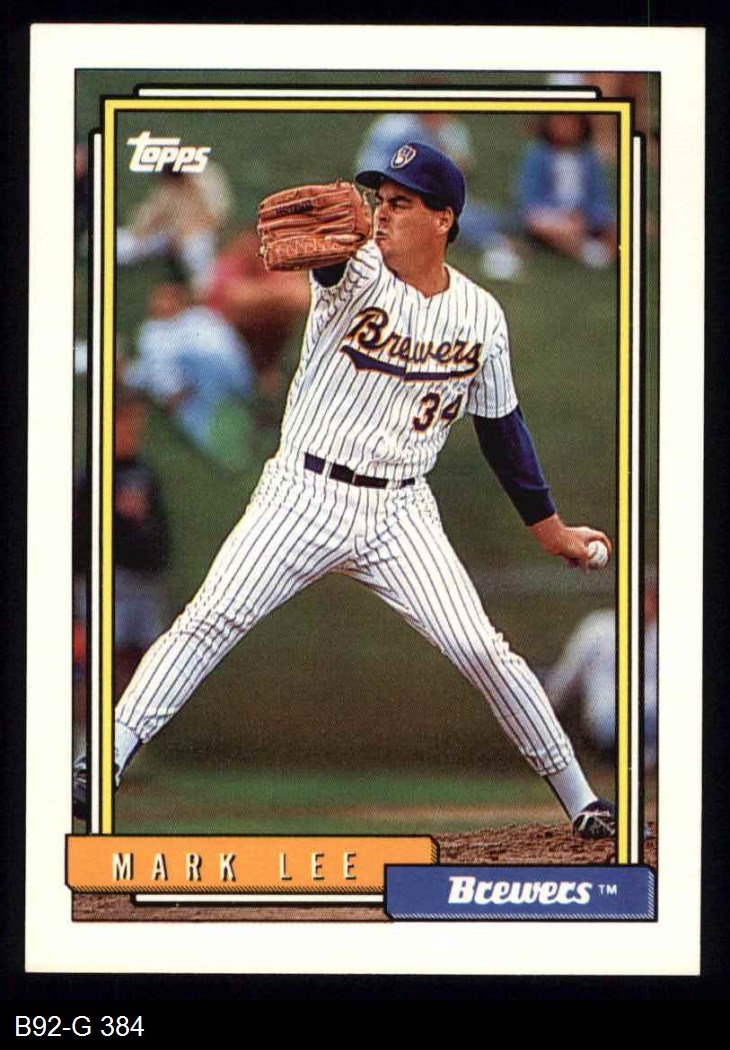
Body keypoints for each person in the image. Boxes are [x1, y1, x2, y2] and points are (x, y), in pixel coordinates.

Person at [73, 142, 615, 840]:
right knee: (210, 620)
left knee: (481, 649)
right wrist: (329, 253)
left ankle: (582, 800)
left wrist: (552, 530)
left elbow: (503, 430)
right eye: (379, 201)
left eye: (400, 204)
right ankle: (103, 761)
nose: (380, 215)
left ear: (444, 219)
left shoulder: (482, 316)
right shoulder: (354, 271)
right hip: (303, 494)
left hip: (400, 512)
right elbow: (327, 260)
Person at [73, 387, 170, 701]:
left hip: (145, 586)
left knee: (147, 673)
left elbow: (160, 534)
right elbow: (79, 541)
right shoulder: (91, 476)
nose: (133, 431)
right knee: (101, 670)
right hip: (107, 586)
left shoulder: (145, 474)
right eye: (125, 422)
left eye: (137, 423)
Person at [357, 112, 523, 281]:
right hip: (404, 194)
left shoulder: (451, 130)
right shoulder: (394, 126)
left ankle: (508, 239)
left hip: (438, 198)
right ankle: (500, 242)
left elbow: (462, 176)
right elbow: (369, 167)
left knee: (494, 219)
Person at [123, 282, 256, 464]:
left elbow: (226, 354)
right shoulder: (151, 333)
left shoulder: (201, 319)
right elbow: (160, 376)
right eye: (158, 299)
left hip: (220, 384)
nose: (162, 304)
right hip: (192, 396)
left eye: (168, 298)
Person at [546, 584, 657, 770]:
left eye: (650, 600)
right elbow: (566, 677)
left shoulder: (663, 636)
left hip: (652, 722)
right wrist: (546, 712)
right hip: (606, 722)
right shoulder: (597, 629)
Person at [204, 228, 310, 408]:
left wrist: (260, 298)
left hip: (272, 343)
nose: (252, 249)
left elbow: (301, 296)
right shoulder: (229, 263)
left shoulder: (276, 259)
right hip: (230, 340)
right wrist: (275, 297)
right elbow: (235, 298)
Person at [514, 113, 617, 269]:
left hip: (583, 218)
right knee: (542, 224)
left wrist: (586, 216)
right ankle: (586, 251)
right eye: (560, 122)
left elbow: (599, 198)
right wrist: (560, 215)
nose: (565, 128)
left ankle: (597, 249)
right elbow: (529, 198)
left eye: (571, 123)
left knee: (623, 226)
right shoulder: (538, 154)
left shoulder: (589, 158)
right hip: (549, 217)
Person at [116, 162, 233, 293]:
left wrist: (184, 234)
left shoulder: (207, 178)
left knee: (198, 256)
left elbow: (217, 221)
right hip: (168, 233)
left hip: (198, 235)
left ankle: (203, 290)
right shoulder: (167, 182)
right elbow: (148, 219)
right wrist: (146, 231)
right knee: (125, 242)